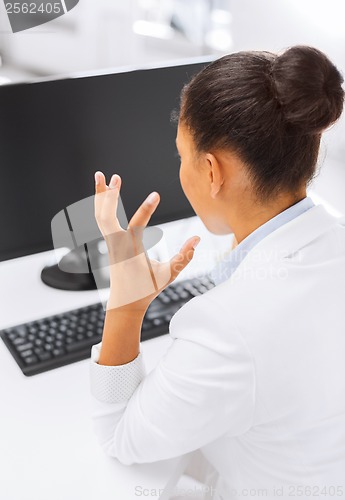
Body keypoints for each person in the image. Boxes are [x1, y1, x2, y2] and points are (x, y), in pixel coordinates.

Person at [89, 45, 345, 500]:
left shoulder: (228, 326)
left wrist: (126, 306)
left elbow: (121, 439)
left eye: (181, 155)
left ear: (211, 170)